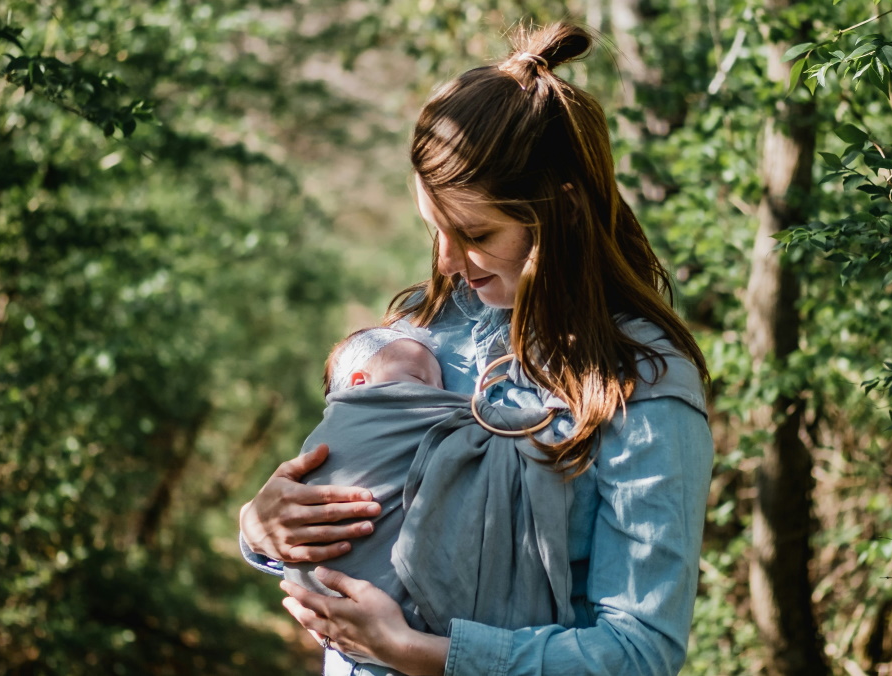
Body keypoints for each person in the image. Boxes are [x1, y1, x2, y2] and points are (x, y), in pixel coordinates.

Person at [239, 21, 715, 676]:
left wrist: (419, 654)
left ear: (563, 212)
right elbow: (339, 509)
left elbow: (640, 653)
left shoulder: (640, 380)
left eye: (474, 233)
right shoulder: (421, 326)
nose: (446, 260)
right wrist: (260, 531)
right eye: (434, 227)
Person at [246, 322, 574, 670]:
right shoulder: (415, 330)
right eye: (421, 383)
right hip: (346, 633)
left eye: (441, 385)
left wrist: (406, 648)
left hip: (427, 647)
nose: (439, 394)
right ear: (360, 384)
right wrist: (251, 528)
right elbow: (289, 511)